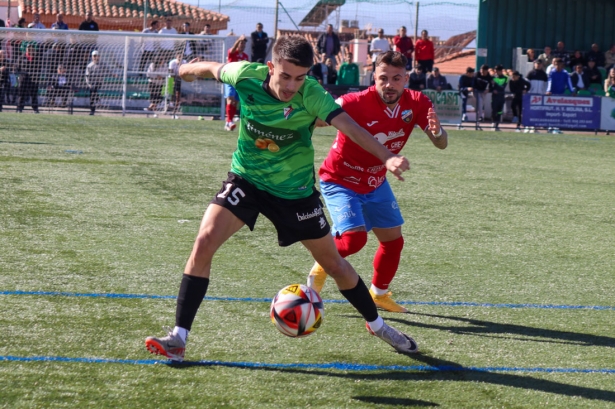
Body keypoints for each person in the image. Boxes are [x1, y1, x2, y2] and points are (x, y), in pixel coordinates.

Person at [144, 36, 419, 362]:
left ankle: (377, 325)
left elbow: (349, 126)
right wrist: (187, 69)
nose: (292, 85)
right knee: (203, 242)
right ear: (271, 67)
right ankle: (178, 338)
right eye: (286, 76)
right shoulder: (246, 75)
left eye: (300, 77)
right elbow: (213, 68)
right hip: (246, 181)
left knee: (335, 265)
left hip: (295, 195)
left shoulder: (311, 94)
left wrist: (386, 157)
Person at [306, 50, 447, 312]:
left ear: (406, 78)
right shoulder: (354, 101)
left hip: (375, 182)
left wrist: (438, 134)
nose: (389, 84)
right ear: (374, 77)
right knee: (353, 241)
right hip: (340, 179)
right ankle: (321, 265)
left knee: (393, 241)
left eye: (396, 78)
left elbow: (441, 143)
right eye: (383, 78)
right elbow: (316, 120)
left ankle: (378, 294)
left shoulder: (418, 103)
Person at [224, 35, 249, 131]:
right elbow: (233, 49)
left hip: (239, 81)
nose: (242, 44)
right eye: (241, 43)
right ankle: (229, 121)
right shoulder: (233, 53)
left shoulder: (246, 57)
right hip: (230, 79)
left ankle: (229, 121)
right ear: (237, 44)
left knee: (235, 102)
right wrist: (239, 39)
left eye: (244, 43)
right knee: (230, 99)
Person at [85, 50, 112, 115]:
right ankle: (93, 108)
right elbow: (87, 76)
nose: (95, 57)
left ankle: (96, 100)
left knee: (93, 91)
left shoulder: (102, 64)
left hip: (98, 82)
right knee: (92, 95)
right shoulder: (90, 66)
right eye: (94, 56)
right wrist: (89, 84)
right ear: (92, 57)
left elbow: (108, 71)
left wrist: (113, 74)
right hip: (92, 83)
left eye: (96, 56)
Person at [16, 44, 40, 113]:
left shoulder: (36, 58)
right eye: (29, 48)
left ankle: (35, 109)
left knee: (34, 94)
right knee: (21, 94)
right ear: (26, 49)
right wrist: (21, 74)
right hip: (23, 79)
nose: (30, 50)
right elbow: (17, 68)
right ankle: (19, 108)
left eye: (32, 49)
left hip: (33, 79)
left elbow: (39, 68)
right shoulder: (21, 57)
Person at [489, 64, 508, 131]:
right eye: (495, 70)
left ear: (501, 71)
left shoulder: (505, 78)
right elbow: (490, 87)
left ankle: (497, 125)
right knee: (494, 111)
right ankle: (493, 123)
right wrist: (493, 89)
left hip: (501, 97)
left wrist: (495, 84)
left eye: (497, 70)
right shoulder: (493, 77)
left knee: (499, 112)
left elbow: (503, 87)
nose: (496, 72)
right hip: (494, 97)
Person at [168, 52, 186, 119]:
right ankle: (169, 105)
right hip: (171, 79)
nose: (180, 58)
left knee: (178, 94)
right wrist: (174, 80)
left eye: (181, 56)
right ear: (176, 56)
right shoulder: (172, 62)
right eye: (179, 56)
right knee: (169, 93)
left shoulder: (184, 62)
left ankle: (176, 108)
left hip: (180, 79)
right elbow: (171, 72)